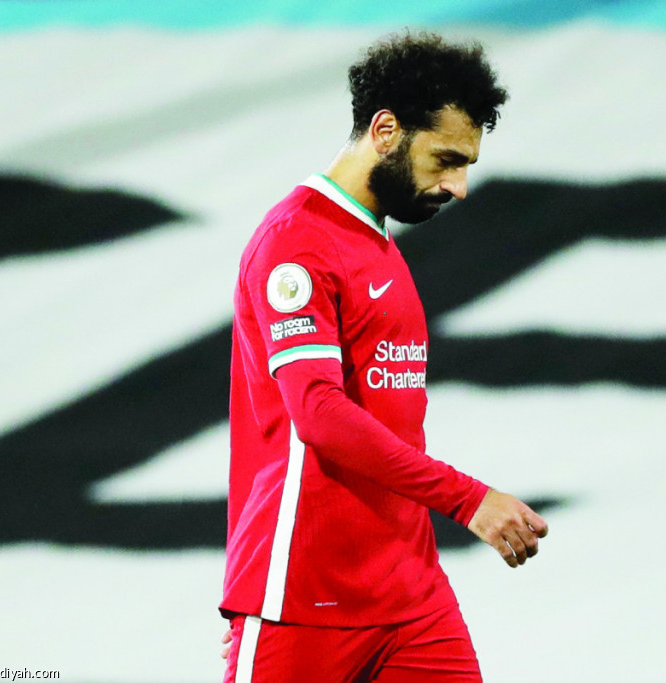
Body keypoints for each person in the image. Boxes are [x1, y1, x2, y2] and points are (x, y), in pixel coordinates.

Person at [220, 30, 549, 682]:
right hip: (306, 594)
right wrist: (467, 499)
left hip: (410, 594)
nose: (458, 186)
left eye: (466, 165)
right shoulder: (297, 242)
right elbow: (318, 414)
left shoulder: (377, 243)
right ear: (386, 130)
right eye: (446, 160)